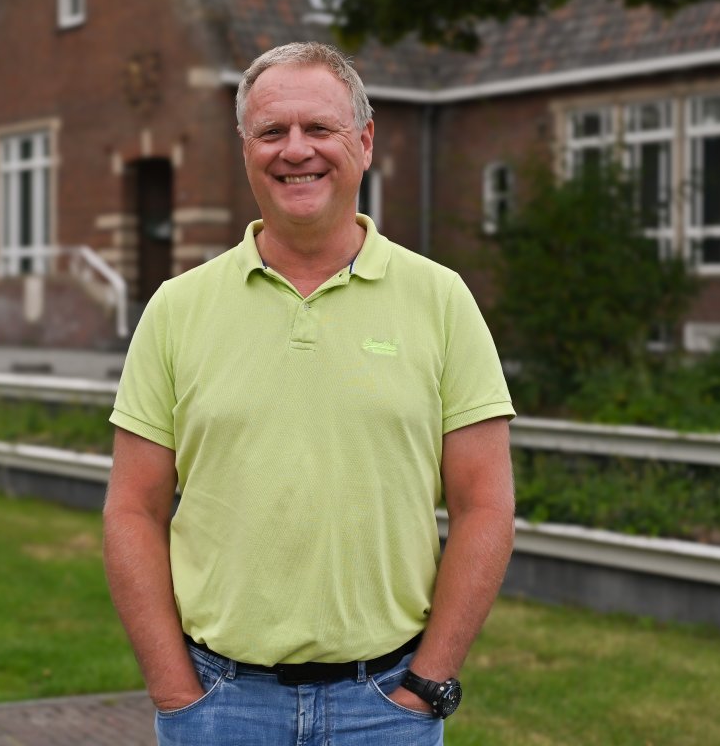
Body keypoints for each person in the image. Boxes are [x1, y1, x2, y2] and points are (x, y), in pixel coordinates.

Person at [103, 41, 516, 745]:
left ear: (364, 141)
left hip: (385, 710)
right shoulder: (176, 309)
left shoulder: (442, 301)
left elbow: (487, 505)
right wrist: (177, 692)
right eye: (272, 132)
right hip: (220, 707)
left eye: (318, 128)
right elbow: (131, 510)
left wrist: (425, 685)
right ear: (246, 149)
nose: (296, 150)